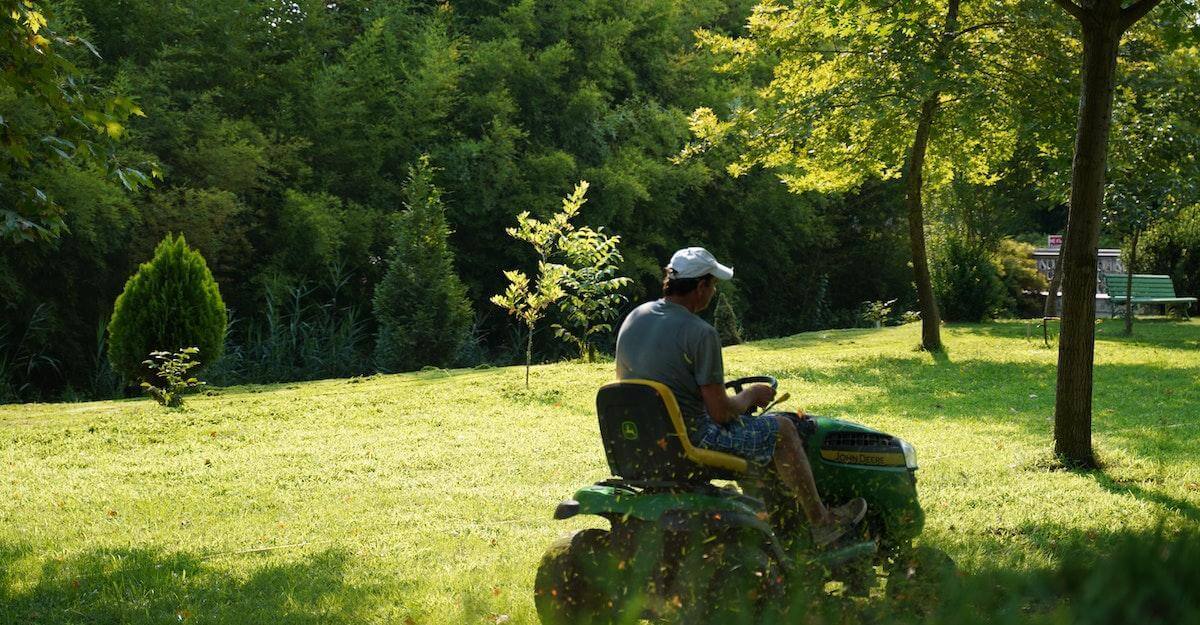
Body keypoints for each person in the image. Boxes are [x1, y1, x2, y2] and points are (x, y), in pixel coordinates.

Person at [615, 247, 866, 546]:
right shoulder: (700, 333)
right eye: (713, 284)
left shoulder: (634, 318)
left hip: (642, 442)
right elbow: (721, 413)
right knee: (783, 430)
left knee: (756, 433)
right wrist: (751, 395)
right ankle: (822, 522)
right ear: (700, 287)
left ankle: (771, 520)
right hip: (693, 441)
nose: (714, 291)